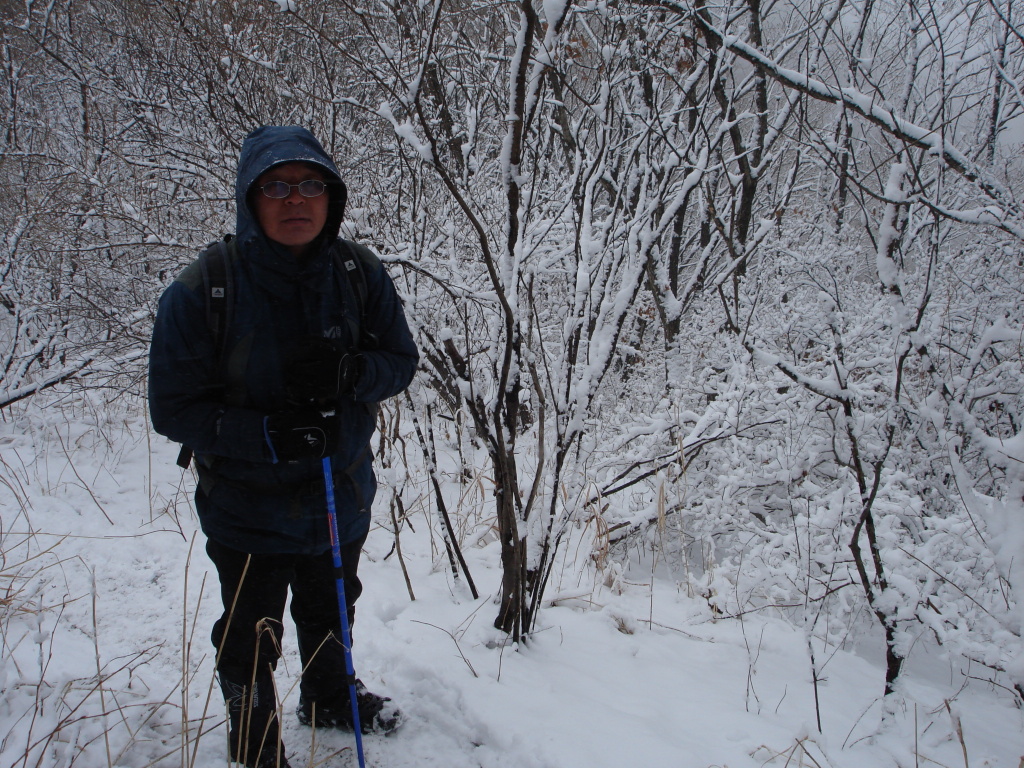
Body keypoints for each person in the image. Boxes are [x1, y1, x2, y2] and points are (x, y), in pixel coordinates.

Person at [148, 126, 418, 768]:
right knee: (250, 630)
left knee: (332, 605)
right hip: (247, 506)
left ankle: (328, 697)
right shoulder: (202, 290)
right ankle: (253, 739)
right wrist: (267, 435)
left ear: (331, 195)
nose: (295, 199)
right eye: (276, 185)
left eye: (310, 184)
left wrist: (354, 373)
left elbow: (400, 360)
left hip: (340, 491)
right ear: (250, 197)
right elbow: (173, 409)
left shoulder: (358, 273)